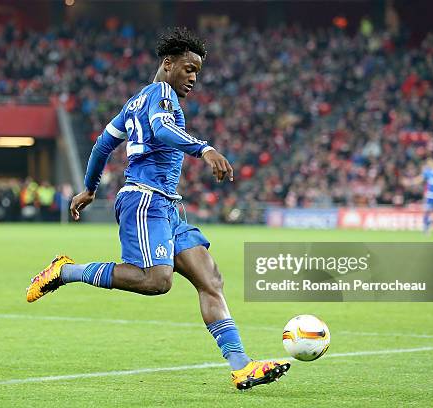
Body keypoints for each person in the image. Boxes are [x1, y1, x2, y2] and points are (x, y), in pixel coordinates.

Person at [26, 27, 289, 390]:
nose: (194, 78)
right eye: (189, 68)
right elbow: (163, 130)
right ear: (168, 64)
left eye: (198, 71)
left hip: (167, 206)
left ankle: (241, 365)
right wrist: (204, 149)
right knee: (155, 281)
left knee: (210, 279)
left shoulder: (134, 102)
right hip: (144, 199)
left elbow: (103, 145)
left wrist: (89, 187)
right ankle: (66, 271)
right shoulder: (162, 95)